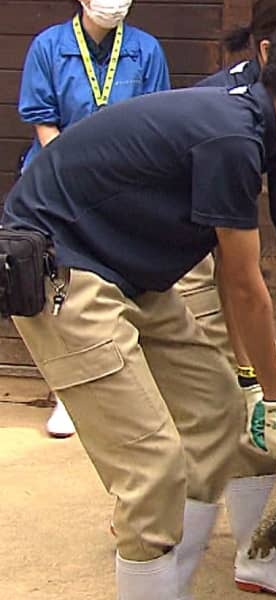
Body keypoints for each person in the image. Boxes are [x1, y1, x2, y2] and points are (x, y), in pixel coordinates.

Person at [3, 16, 276, 600]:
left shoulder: (246, 120)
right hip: (63, 271)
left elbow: (232, 273)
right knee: (152, 470)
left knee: (220, 414)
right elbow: (247, 284)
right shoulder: (232, 136)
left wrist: (252, 385)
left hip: (131, 275)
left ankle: (181, 581)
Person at [171, 2, 276, 587]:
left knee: (245, 415)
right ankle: (152, 539)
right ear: (270, 50)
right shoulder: (229, 114)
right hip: (187, 266)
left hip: (226, 260)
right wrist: (260, 380)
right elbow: (237, 274)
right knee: (217, 405)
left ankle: (257, 555)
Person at [17, 0, 169, 438]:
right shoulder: (48, 47)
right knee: (64, 288)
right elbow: (44, 125)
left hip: (124, 184)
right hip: (58, 181)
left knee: (116, 285)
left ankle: (124, 390)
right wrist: (76, 180)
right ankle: (68, 393)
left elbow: (153, 122)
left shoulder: (146, 49)